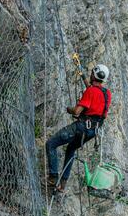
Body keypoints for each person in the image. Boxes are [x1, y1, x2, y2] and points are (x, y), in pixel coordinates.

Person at [46, 63, 111, 193]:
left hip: (81, 128)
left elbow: (76, 111)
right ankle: (62, 185)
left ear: (94, 74)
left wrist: (68, 109)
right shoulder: (106, 93)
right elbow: (92, 90)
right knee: (71, 149)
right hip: (93, 131)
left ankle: (53, 177)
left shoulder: (90, 91)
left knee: (51, 144)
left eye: (92, 72)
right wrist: (82, 75)